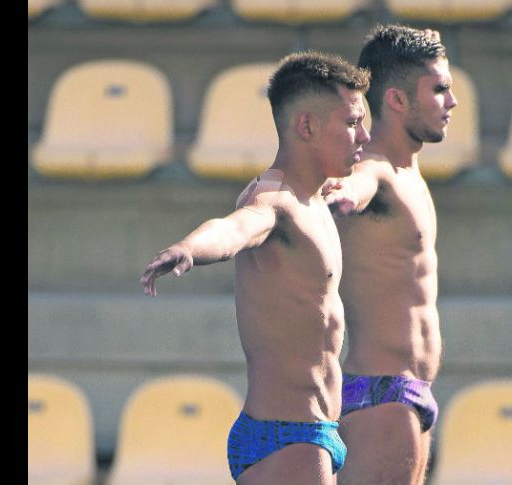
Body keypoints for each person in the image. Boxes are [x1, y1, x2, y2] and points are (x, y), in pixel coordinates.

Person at [140, 51, 371, 484]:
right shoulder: (275, 199)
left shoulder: (312, 196)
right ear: (307, 127)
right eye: (352, 122)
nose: (364, 135)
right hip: (292, 436)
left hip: (308, 432)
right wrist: (189, 248)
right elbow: (237, 227)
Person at [323, 25, 458, 485]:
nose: (452, 102)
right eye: (439, 90)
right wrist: (344, 196)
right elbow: (357, 184)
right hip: (381, 395)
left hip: (412, 394)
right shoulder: (374, 167)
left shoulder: (409, 173)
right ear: (397, 100)